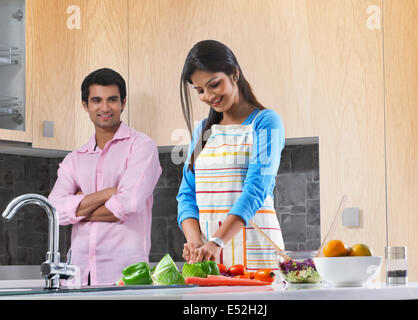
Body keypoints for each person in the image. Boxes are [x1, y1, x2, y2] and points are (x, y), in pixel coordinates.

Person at [177, 40, 285, 271]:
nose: (208, 96)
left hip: (258, 251)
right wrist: (195, 240)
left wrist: (218, 240)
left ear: (234, 74)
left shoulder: (266, 122)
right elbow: (186, 194)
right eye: (199, 90)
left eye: (214, 84)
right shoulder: (202, 131)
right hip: (209, 257)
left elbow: (257, 187)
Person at [49, 68, 162, 285]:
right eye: (96, 100)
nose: (104, 107)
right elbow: (55, 211)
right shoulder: (75, 158)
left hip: (126, 276)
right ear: (85, 105)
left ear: (123, 103)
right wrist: (108, 194)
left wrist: (78, 207)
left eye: (112, 99)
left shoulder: (142, 146)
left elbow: (130, 204)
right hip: (78, 277)